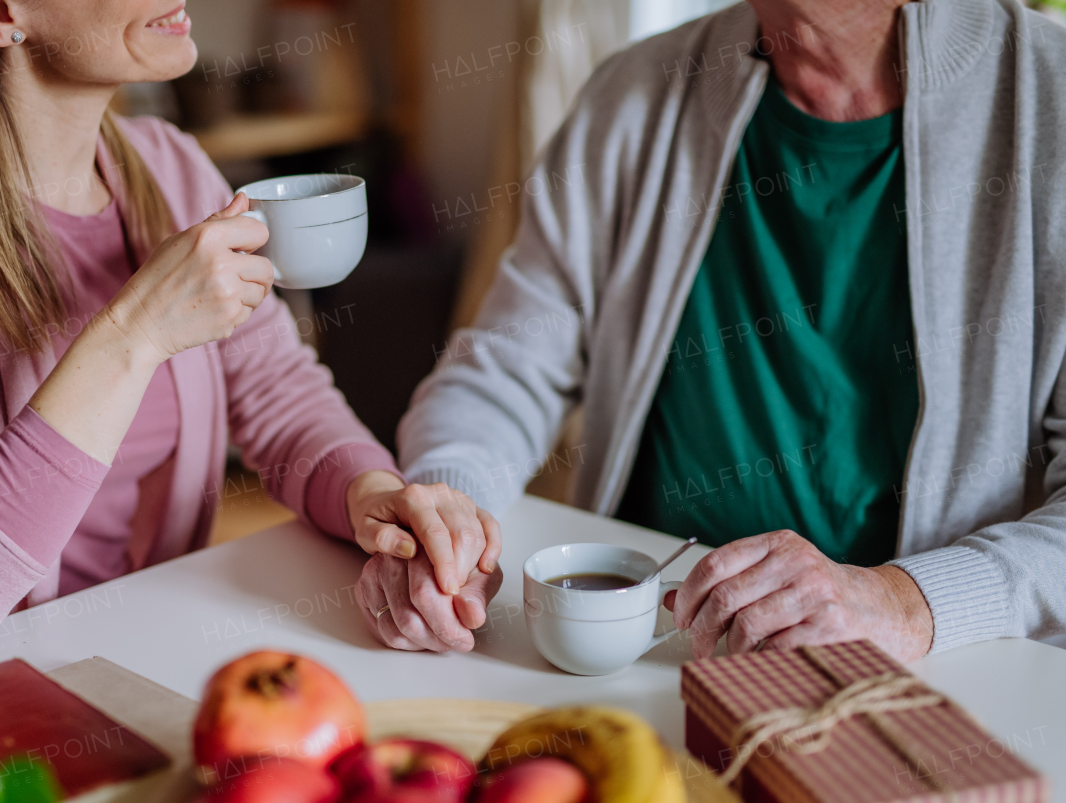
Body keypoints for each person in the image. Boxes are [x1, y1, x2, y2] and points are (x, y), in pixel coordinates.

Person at [0, 0, 502, 686]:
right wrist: (135, 333)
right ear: (0, 10)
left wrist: (372, 497)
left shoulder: (170, 166)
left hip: (113, 666)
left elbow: (279, 395)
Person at [398, 0, 1066, 662]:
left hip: (941, 678)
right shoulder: (632, 93)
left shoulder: (1050, 97)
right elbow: (502, 370)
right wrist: (445, 514)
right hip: (647, 652)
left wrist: (904, 600)